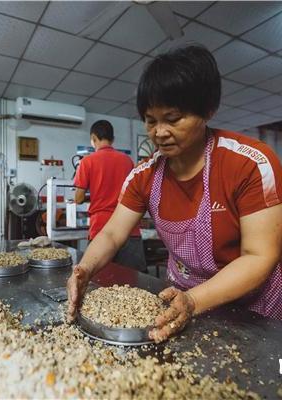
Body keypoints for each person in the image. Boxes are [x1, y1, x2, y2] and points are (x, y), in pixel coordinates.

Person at [67, 45, 282, 342]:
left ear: (208, 110)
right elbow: (111, 234)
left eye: (173, 118)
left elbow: (260, 256)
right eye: (151, 120)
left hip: (253, 312)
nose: (159, 132)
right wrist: (85, 269)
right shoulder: (144, 175)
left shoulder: (249, 163)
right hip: (181, 305)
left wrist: (195, 300)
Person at [74, 120, 146, 272]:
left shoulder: (87, 162)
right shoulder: (127, 161)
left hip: (101, 230)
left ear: (93, 138)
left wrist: (94, 195)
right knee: (132, 284)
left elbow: (78, 198)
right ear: (112, 139)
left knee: (99, 282)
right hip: (128, 228)